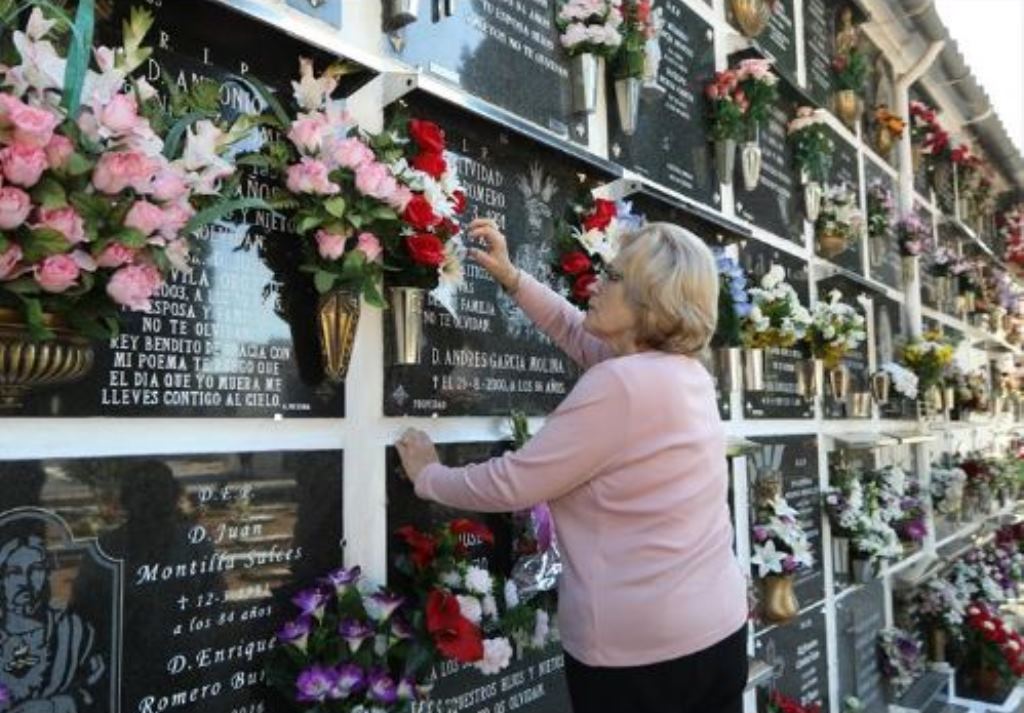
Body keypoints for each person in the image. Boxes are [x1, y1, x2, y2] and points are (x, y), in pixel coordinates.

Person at [396, 218, 749, 713]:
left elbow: (514, 482)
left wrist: (428, 475)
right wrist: (512, 278)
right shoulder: (683, 375)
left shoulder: (621, 386)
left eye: (616, 277)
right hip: (717, 631)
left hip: (642, 660)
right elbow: (575, 331)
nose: (595, 283)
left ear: (652, 301)